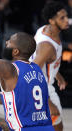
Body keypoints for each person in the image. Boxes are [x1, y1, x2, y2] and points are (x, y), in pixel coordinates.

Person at [29, 1, 68, 131]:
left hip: (44, 85)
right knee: (57, 127)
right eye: (62, 18)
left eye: (66, 16)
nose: (66, 20)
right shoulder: (47, 46)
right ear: (52, 20)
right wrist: (48, 102)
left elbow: (47, 61)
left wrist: (57, 74)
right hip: (42, 88)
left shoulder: (44, 29)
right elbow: (32, 72)